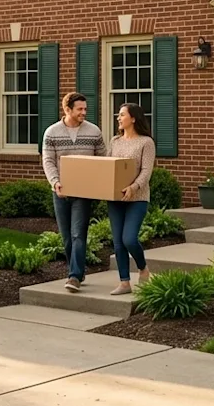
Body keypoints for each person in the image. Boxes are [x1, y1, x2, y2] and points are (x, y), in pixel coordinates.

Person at [42, 92, 107, 293]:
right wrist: (55, 182)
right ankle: (76, 269)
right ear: (67, 109)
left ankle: (74, 276)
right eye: (79, 109)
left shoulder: (94, 132)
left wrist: (97, 184)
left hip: (84, 191)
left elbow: (103, 158)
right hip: (60, 190)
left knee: (79, 233)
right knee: (66, 236)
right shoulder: (51, 133)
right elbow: (48, 161)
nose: (84, 112)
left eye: (85, 109)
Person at [108, 103, 156, 295]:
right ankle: (124, 282)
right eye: (118, 115)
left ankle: (143, 268)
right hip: (115, 198)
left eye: (122, 115)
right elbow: (108, 166)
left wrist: (133, 187)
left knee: (129, 239)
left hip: (137, 198)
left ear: (133, 118)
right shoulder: (115, 141)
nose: (118, 118)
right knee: (118, 242)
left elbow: (146, 171)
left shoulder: (146, 142)